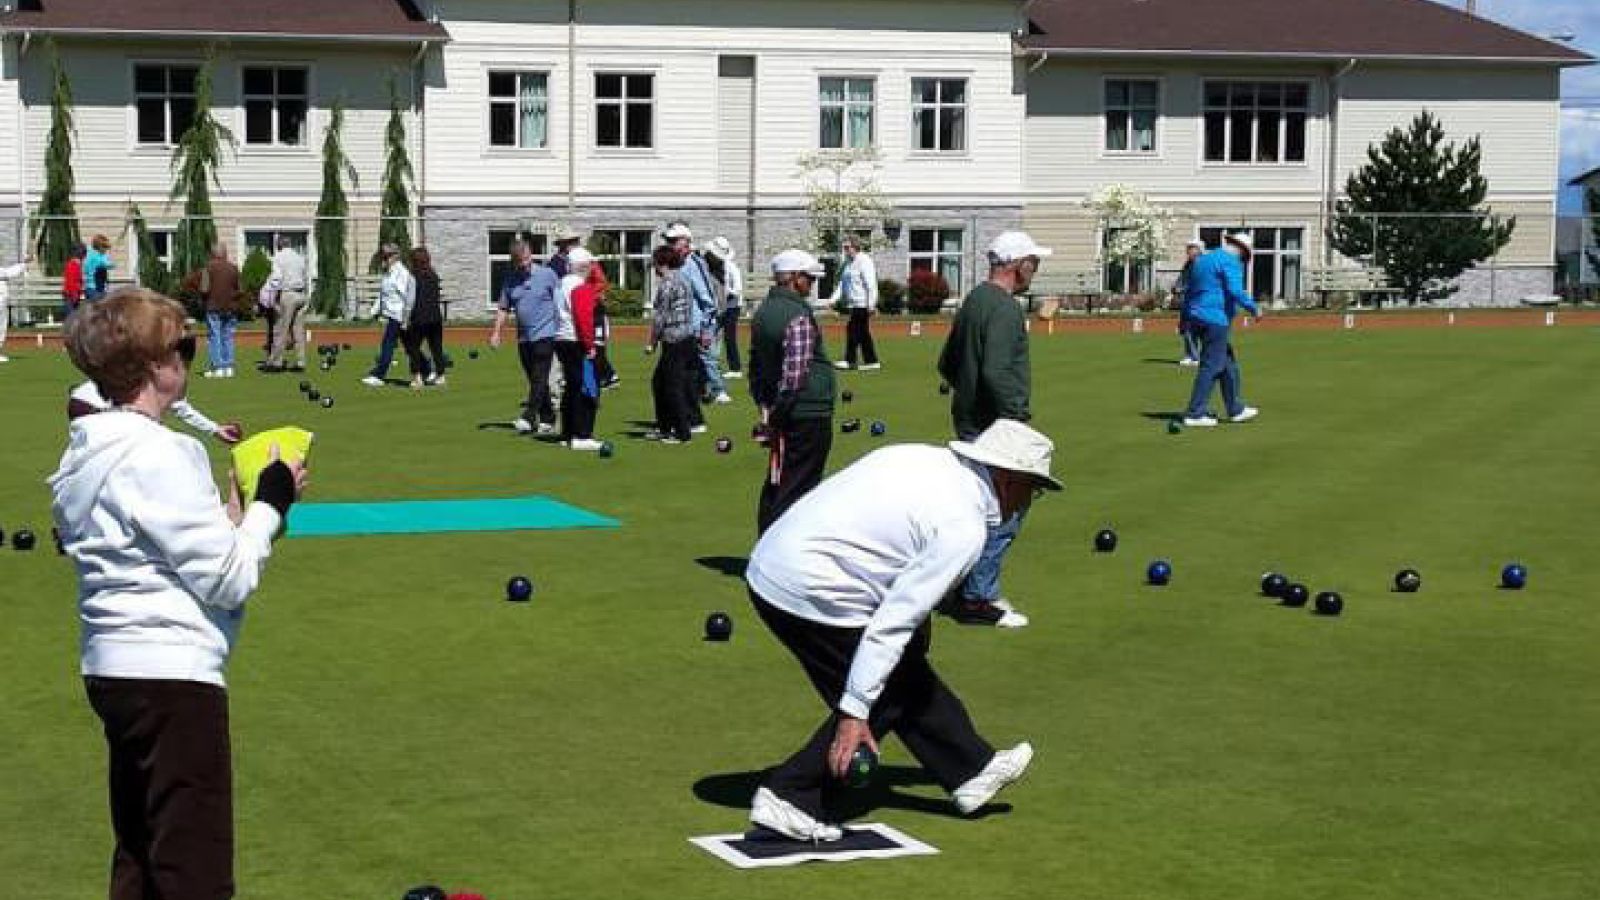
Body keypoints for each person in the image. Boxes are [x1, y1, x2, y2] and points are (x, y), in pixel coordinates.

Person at [49, 288, 307, 899]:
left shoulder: (91, 450)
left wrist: (236, 512)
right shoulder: (161, 452)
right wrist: (272, 503)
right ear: (150, 366)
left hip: (114, 672)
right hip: (172, 679)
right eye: (181, 347)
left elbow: (156, 546)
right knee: (194, 871)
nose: (187, 358)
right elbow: (229, 578)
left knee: (139, 856)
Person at [741, 419, 1059, 841]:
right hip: (809, 583)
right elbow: (893, 623)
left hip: (776, 561)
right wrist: (855, 714)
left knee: (905, 676)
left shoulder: (923, 457)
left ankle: (971, 770)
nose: (1026, 504)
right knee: (886, 688)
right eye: (1031, 489)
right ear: (1007, 477)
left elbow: (889, 541)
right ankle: (792, 796)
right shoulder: (964, 525)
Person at [936, 231, 1051, 629]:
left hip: (970, 419)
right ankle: (978, 597)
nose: (1036, 269)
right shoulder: (1002, 308)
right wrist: (1015, 417)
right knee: (1006, 511)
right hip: (996, 426)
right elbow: (996, 370)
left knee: (975, 508)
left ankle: (962, 587)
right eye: (1033, 262)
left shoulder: (974, 300)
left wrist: (967, 392)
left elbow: (947, 364)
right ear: (1018, 264)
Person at [749, 250, 837, 534]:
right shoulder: (796, 314)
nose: (811, 285)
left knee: (780, 479)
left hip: (783, 408)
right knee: (799, 485)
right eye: (808, 278)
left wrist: (765, 407)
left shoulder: (763, 312)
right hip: (806, 411)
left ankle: (769, 544)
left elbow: (757, 366)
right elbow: (795, 375)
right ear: (794, 278)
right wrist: (777, 416)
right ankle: (780, 552)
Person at [1181, 232, 1261, 428]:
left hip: (1195, 316)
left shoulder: (1203, 260)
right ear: (1240, 250)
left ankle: (1235, 409)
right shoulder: (1230, 262)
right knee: (1212, 366)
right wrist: (1254, 308)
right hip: (1214, 318)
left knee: (1227, 364)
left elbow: (1190, 289)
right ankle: (1195, 413)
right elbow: (1235, 290)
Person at [490, 237, 561, 434]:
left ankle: (529, 416)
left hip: (546, 334)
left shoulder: (548, 275)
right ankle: (548, 419)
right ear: (514, 261)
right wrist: (496, 332)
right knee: (536, 379)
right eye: (521, 261)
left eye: (528, 259)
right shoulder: (510, 281)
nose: (525, 264)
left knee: (539, 376)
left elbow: (561, 302)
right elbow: (503, 308)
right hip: (524, 338)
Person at [664, 222, 728, 406]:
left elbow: (708, 300)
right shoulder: (676, 265)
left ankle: (717, 390)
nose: (669, 244)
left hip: (696, 326)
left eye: (673, 241)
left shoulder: (693, 265)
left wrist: (706, 329)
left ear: (685, 242)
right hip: (679, 327)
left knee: (705, 359)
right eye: (669, 240)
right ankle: (699, 394)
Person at [69, 379, 243, 445]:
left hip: (83, 400)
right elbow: (180, 407)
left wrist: (214, 429)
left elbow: (180, 407)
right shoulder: (156, 367)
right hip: (93, 405)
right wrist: (214, 429)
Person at [646, 245, 699, 444]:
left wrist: (651, 342)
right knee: (659, 382)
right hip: (687, 337)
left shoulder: (667, 283)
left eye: (655, 262)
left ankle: (682, 432)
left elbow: (660, 316)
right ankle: (665, 427)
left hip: (673, 339)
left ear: (662, 263)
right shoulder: (684, 279)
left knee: (671, 386)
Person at [554, 248, 603, 450]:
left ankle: (567, 433)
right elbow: (583, 318)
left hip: (561, 338)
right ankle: (581, 435)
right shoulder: (579, 286)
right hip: (575, 340)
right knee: (584, 387)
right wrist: (590, 345)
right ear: (585, 266)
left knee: (571, 387)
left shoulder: (561, 283)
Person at [363, 244, 415, 388]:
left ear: (396, 256)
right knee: (410, 346)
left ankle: (379, 375)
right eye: (383, 256)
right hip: (393, 315)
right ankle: (428, 370)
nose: (384, 259)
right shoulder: (389, 272)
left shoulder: (401, 273)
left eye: (387, 256)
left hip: (399, 316)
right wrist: (373, 312)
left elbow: (408, 296)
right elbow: (383, 294)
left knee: (388, 344)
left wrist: (407, 317)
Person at [830, 235, 881, 371]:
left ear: (855, 247)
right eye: (844, 248)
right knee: (863, 333)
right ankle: (872, 361)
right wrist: (833, 299)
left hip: (862, 304)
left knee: (852, 330)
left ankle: (850, 360)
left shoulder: (864, 261)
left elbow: (871, 284)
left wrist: (871, 304)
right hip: (853, 304)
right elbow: (843, 284)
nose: (845, 250)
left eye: (847, 248)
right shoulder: (848, 263)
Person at [402, 246, 448, 389]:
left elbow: (410, 301)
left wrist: (405, 320)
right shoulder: (434, 275)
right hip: (435, 317)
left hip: (419, 318)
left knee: (413, 348)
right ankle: (441, 376)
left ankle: (417, 378)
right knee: (436, 348)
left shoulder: (412, 277)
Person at [262, 237, 309, 373]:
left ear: (278, 246)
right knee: (298, 331)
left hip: (287, 294)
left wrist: (269, 293)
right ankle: (301, 361)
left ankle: (276, 362)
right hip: (301, 294)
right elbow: (305, 276)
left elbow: (276, 277)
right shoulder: (299, 257)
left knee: (280, 329)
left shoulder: (278, 258)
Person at [201, 244, 242, 379]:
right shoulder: (234, 268)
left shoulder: (208, 267)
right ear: (225, 254)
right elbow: (239, 289)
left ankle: (218, 367)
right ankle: (228, 367)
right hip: (231, 307)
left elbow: (204, 289)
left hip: (213, 307)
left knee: (215, 336)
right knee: (228, 336)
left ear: (213, 254)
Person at [706, 237, 744, 379]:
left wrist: (727, 293)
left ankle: (736, 368)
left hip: (732, 307)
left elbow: (738, 290)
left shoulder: (732, 268)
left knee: (729, 337)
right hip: (721, 306)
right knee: (712, 332)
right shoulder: (716, 267)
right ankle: (712, 363)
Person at [1172, 238, 1205, 367]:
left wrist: (1184, 288)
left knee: (1199, 330)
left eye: (1191, 248)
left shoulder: (1203, 264)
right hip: (1188, 301)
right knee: (1186, 329)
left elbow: (1200, 282)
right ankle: (1189, 355)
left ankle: (1198, 357)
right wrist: (1176, 287)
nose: (1188, 251)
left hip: (1199, 302)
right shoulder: (1188, 264)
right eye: (1188, 248)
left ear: (1198, 250)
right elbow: (1182, 279)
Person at [587, 262, 620, 390]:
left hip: (597, 313)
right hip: (589, 310)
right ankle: (608, 376)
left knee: (598, 347)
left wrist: (590, 294)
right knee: (592, 348)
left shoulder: (592, 265)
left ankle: (608, 376)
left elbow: (602, 283)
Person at [0, 251, 31, 363]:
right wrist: (24, 264)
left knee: (2, 325)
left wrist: (24, 264)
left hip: (3, 300)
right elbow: (9, 272)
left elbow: (10, 272)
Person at [83, 234, 115, 302]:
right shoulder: (95, 256)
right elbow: (109, 265)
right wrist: (110, 255)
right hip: (94, 288)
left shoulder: (92, 254)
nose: (106, 249)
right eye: (105, 247)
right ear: (99, 247)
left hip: (93, 288)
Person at [63, 243, 87, 319]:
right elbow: (71, 282)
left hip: (74, 295)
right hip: (71, 296)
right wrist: (75, 296)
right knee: (72, 318)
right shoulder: (73, 265)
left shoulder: (77, 265)